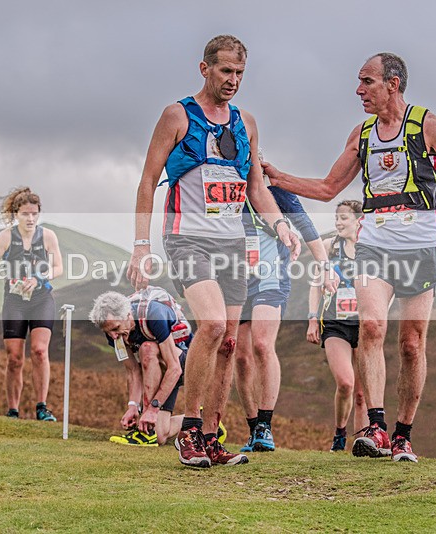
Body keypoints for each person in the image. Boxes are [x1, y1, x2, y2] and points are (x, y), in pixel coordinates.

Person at [265, 53, 436, 462]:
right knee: (372, 326)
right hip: (375, 244)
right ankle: (376, 428)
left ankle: (404, 434)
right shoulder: (362, 134)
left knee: (412, 344)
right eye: (359, 82)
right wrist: (279, 178)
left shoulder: (428, 126)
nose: (359, 90)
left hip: (420, 246)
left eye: (367, 81)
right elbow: (331, 186)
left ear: (393, 84)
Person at [127, 35, 300, 468]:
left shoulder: (247, 123)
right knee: (212, 324)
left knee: (228, 341)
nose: (233, 80)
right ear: (204, 69)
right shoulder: (177, 115)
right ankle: (187, 431)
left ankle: (210, 436)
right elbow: (148, 181)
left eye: (240, 73)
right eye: (226, 71)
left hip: (232, 243)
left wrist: (280, 224)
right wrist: (141, 245)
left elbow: (256, 187)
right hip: (186, 237)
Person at [235, 180, 336, 453]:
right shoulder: (226, 188)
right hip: (235, 280)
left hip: (271, 280)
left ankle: (265, 425)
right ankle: (253, 425)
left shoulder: (275, 192)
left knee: (261, 345)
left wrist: (326, 268)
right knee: (240, 356)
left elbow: (307, 229)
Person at [0, 187, 63, 421]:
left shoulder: (48, 236)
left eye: (34, 214)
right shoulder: (6, 237)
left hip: (41, 299)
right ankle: (12, 410)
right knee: (14, 358)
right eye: (25, 214)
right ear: (15, 214)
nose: (30, 219)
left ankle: (41, 407)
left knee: (40, 351)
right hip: (14, 301)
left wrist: (39, 278)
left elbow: (59, 267)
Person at [89, 289, 229, 447]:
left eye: (115, 329)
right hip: (158, 369)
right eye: (108, 332)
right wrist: (132, 407)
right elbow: (133, 371)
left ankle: (146, 433)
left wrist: (152, 409)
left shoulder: (153, 315)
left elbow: (175, 368)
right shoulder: (114, 331)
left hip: (185, 363)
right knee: (161, 434)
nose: (114, 336)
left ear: (128, 314)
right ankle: (204, 420)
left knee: (147, 348)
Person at [306, 200, 368, 451]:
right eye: (337, 218)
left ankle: (365, 441)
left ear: (358, 220)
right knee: (346, 383)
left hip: (365, 325)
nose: (339, 223)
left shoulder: (370, 248)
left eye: (344, 218)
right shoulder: (330, 247)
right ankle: (340, 433)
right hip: (334, 323)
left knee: (364, 394)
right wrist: (312, 317)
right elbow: (315, 283)